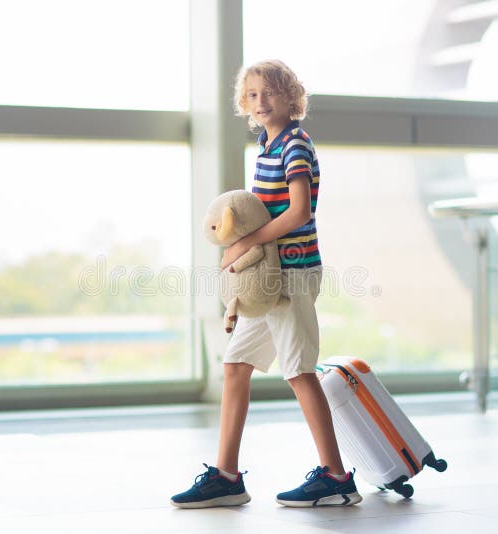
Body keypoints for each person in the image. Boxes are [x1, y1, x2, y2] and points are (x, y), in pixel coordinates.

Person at [171, 60, 361, 508]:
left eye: (270, 93)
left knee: (299, 372)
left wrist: (243, 246)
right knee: (235, 365)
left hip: (293, 273)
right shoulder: (267, 144)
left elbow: (298, 213)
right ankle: (227, 476)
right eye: (253, 95)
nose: (261, 102)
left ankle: (337, 477)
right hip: (269, 275)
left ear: (290, 97)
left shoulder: (295, 144)